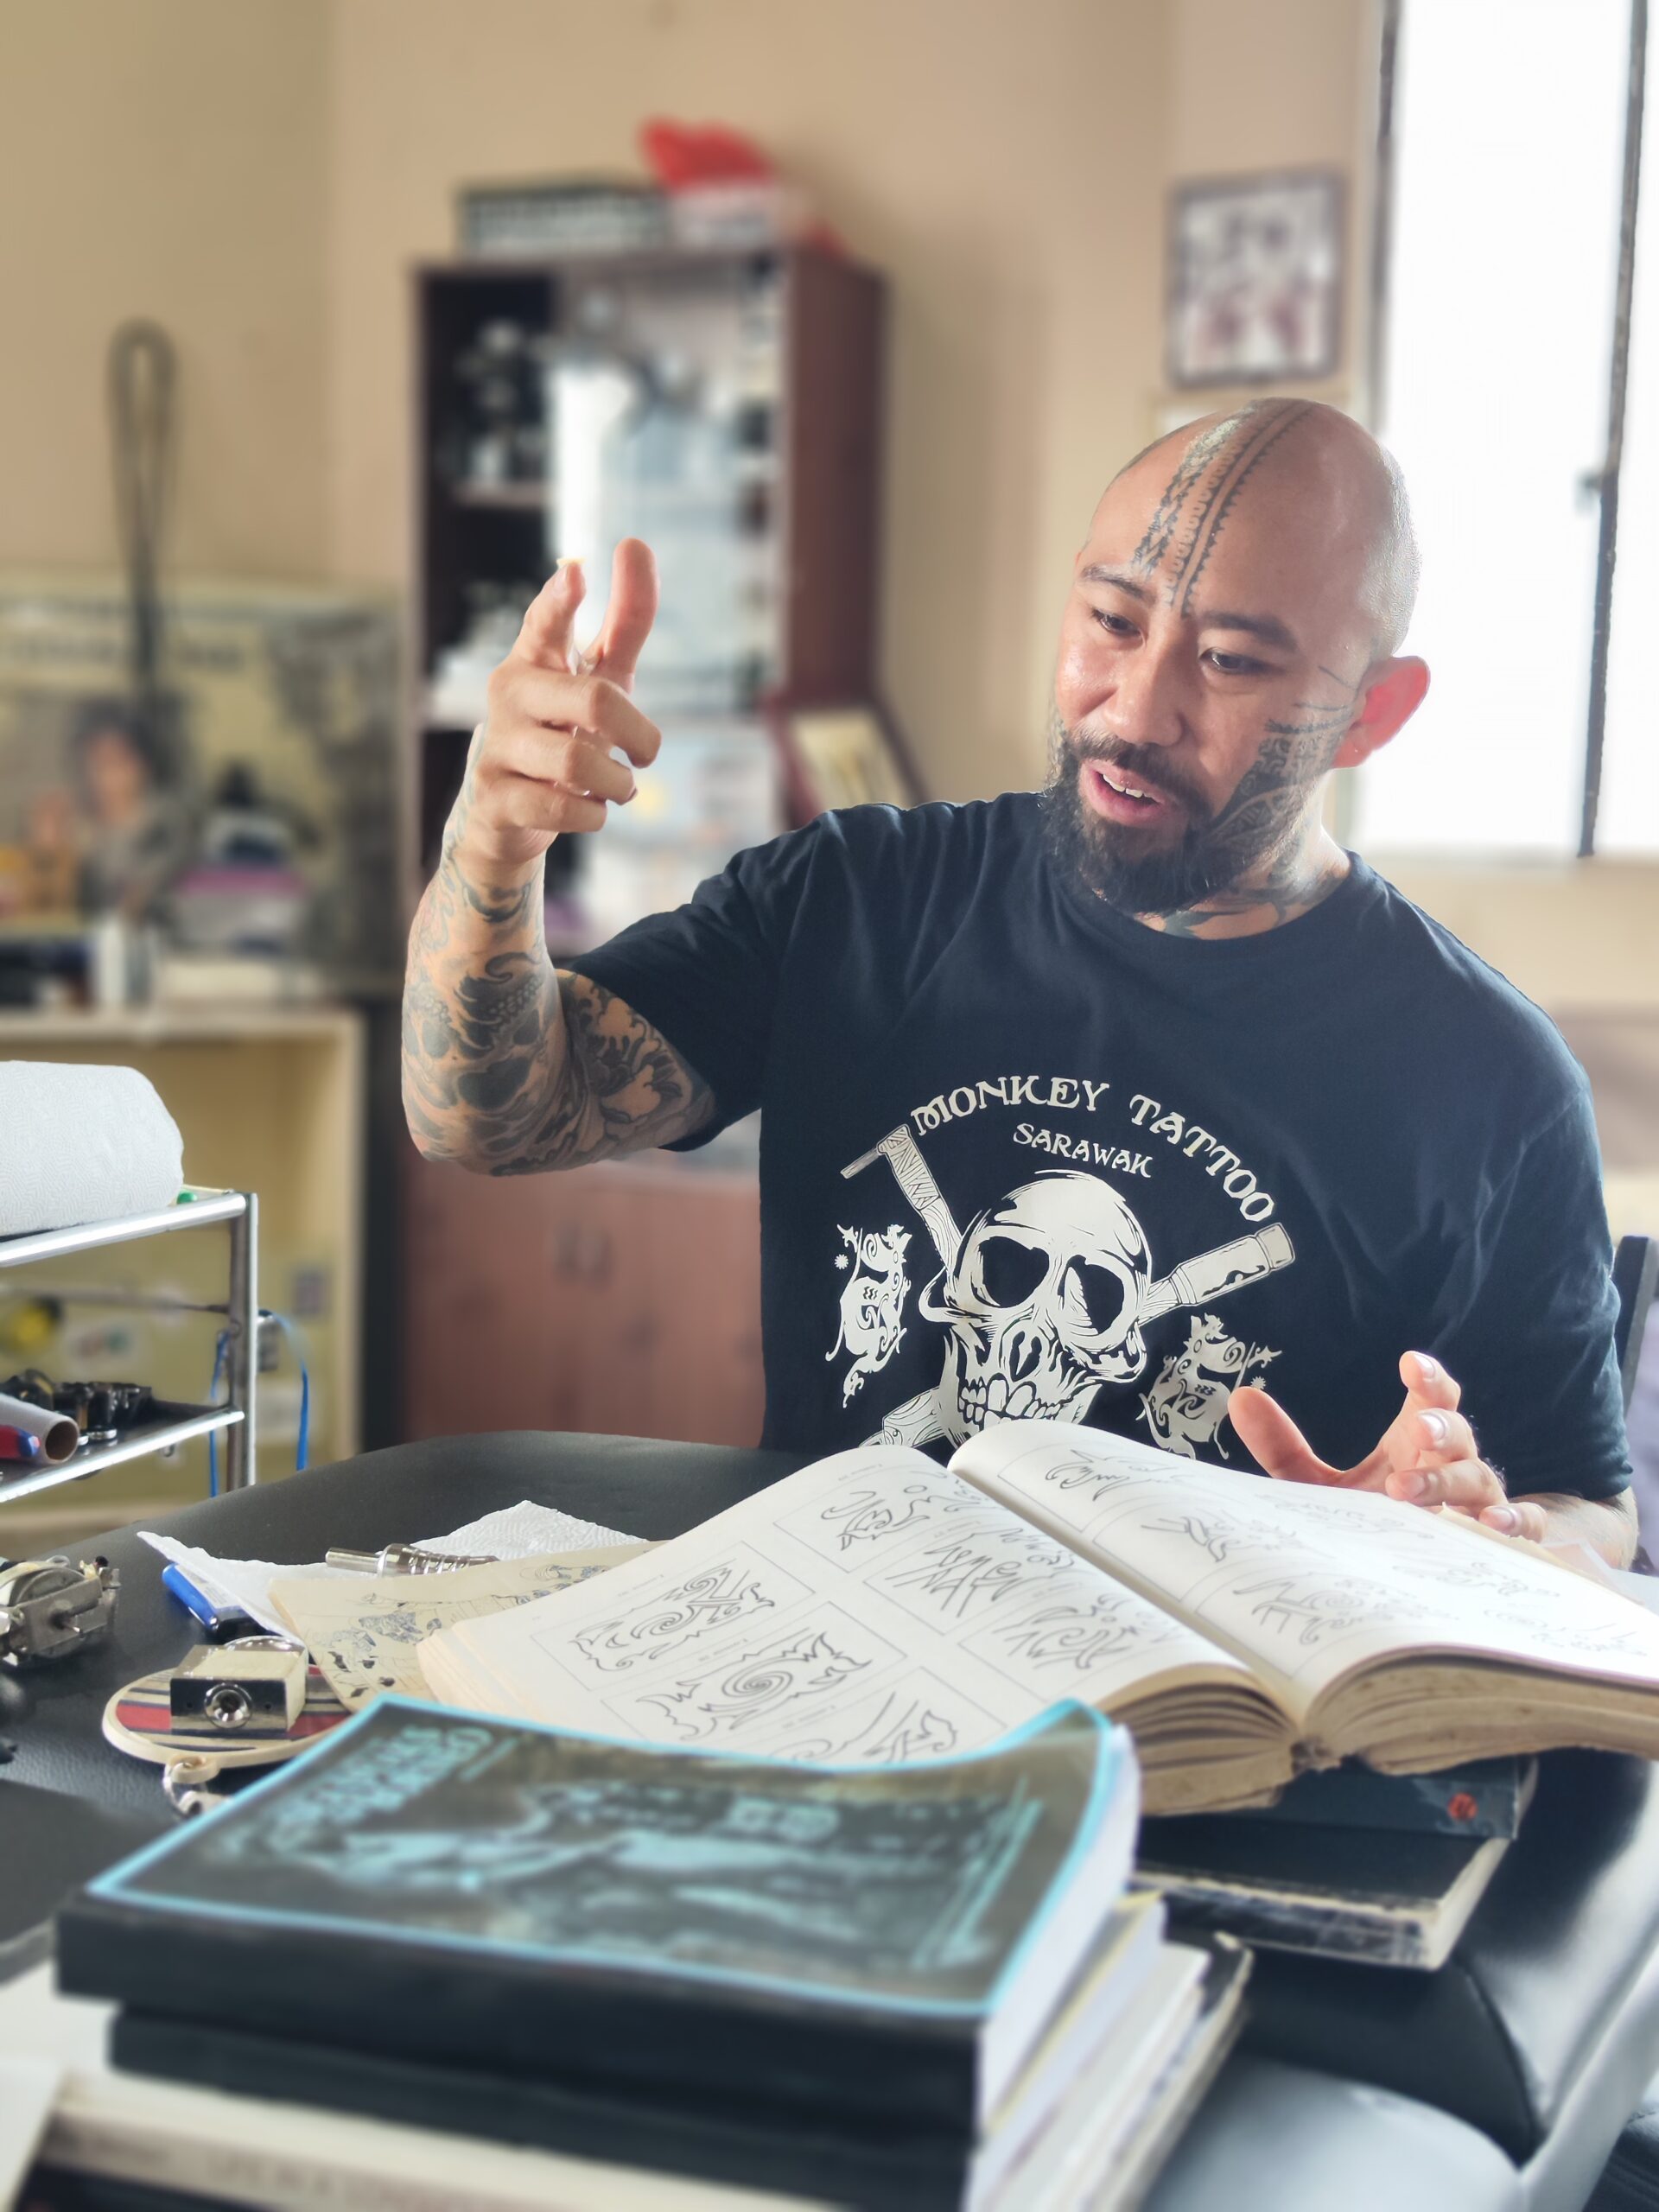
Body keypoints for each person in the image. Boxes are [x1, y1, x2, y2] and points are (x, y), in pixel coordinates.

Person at [402, 398, 1636, 1568]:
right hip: (830, 1652)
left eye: (1229, 661)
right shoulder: (858, 900)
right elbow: (488, 1118)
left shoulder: (1489, 1081)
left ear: (1372, 714)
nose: (1137, 709)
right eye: (1113, 621)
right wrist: (488, 851)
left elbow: (1592, 1510)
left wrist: (1469, 1537)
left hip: (1214, 1713)